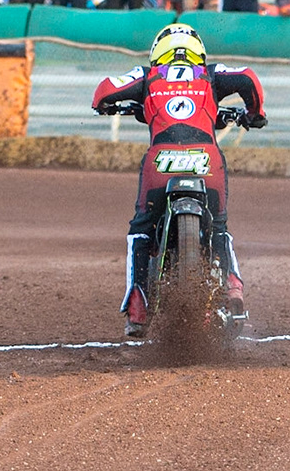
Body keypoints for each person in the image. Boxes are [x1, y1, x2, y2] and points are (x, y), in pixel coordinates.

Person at [91, 24, 269, 338]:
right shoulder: (210, 75)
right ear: (198, 52)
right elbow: (248, 78)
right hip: (207, 160)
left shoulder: (148, 76)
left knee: (142, 229)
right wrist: (255, 113)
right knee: (220, 227)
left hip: (160, 163)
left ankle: (138, 305)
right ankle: (232, 289)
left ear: (158, 52)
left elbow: (105, 89)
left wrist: (103, 106)